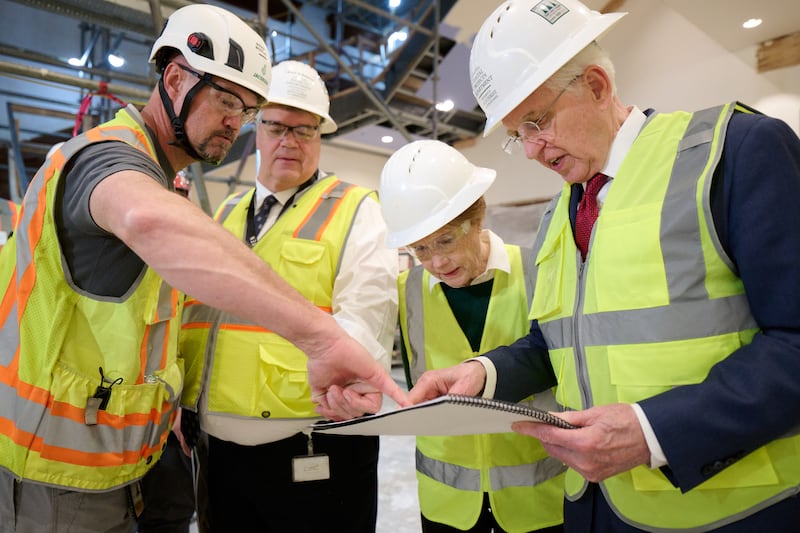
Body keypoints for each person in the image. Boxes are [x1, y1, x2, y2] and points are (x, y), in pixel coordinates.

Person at [0, 5, 405, 532]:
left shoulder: (348, 207)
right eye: (229, 101)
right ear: (174, 79)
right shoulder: (104, 157)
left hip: (157, 460)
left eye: (248, 109)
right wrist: (322, 339)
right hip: (59, 472)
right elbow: (146, 218)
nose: (236, 122)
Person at [404, 0, 800, 531]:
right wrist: (484, 372)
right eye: (518, 134)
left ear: (596, 85)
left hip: (727, 510)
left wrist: (654, 430)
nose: (531, 150)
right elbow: (559, 343)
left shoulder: (733, 154)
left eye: (537, 122)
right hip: (590, 507)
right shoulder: (557, 215)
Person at [179, 59, 399, 532]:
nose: (290, 141)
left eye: (305, 130)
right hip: (217, 449)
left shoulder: (356, 208)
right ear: (255, 129)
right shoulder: (227, 211)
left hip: (312, 441)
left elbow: (369, 314)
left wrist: (346, 386)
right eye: (277, 127)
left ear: (320, 135)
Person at [379, 139, 565, 533]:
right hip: (446, 502)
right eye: (420, 249)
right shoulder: (406, 291)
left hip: (536, 498)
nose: (436, 261)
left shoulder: (539, 272)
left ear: (477, 216)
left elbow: (561, 363)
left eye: (446, 240)